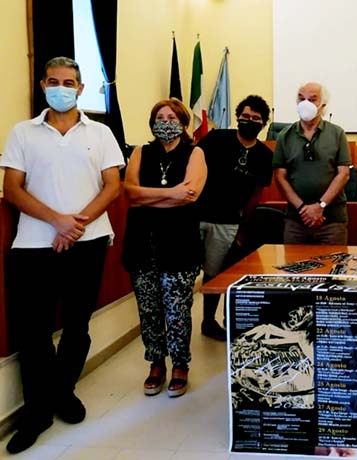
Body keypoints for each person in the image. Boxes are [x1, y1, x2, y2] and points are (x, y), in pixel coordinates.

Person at [1, 57, 124, 454]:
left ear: (80, 89)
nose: (60, 88)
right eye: (53, 81)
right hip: (33, 245)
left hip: (88, 243)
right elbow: (12, 189)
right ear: (42, 85)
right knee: (33, 332)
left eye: (68, 82)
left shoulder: (100, 133)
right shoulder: (23, 132)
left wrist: (76, 225)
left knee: (76, 326)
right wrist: (57, 221)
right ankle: (36, 413)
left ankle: (63, 393)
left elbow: (113, 185)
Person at [122, 98, 207, 398]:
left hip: (180, 245)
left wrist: (148, 197)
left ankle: (180, 365)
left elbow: (191, 194)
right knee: (149, 310)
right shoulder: (140, 152)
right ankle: (156, 362)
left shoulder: (195, 153)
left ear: (183, 123)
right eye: (160, 117)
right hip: (142, 243)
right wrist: (172, 194)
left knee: (177, 310)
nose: (166, 122)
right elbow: (130, 193)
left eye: (172, 118)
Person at [196, 95, 273, 341]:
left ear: (264, 124)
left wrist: (243, 224)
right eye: (245, 116)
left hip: (228, 221)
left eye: (256, 118)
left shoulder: (265, 155)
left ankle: (208, 321)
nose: (249, 121)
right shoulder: (216, 138)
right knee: (184, 273)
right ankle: (178, 324)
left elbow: (257, 193)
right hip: (196, 216)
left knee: (215, 273)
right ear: (238, 117)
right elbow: (193, 166)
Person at [273, 82, 351, 244]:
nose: (305, 104)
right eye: (301, 99)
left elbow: (343, 174)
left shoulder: (337, 133)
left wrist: (320, 206)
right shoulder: (284, 136)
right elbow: (280, 177)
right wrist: (303, 209)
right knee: (293, 261)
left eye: (312, 99)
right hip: (296, 221)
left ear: (323, 105)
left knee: (333, 261)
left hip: (331, 222)